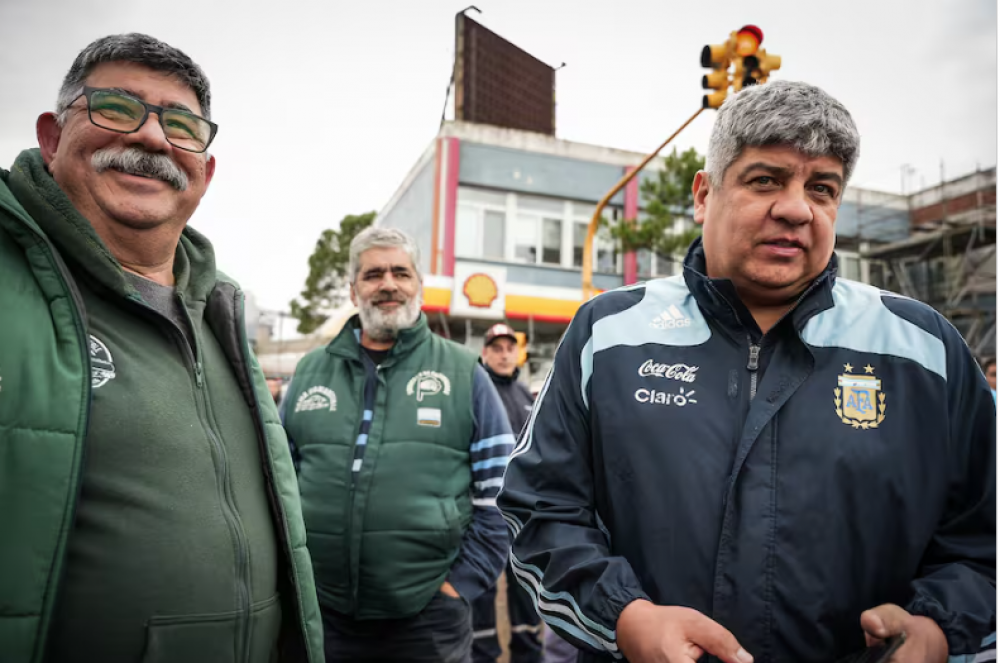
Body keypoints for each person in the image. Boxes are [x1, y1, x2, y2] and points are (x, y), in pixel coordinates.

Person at [497, 80, 996, 663]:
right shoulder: (606, 333)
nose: (795, 207)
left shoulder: (925, 349)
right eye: (765, 180)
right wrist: (627, 620)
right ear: (704, 195)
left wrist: (937, 629)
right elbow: (542, 509)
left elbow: (983, 541)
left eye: (822, 187)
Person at [0, 33, 323, 663]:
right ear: (50, 135)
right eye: (117, 109)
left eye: (181, 125)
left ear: (205, 166)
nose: (152, 139)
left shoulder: (221, 309)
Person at [282, 226, 514, 662]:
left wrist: (457, 587)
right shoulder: (310, 373)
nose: (388, 284)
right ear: (353, 291)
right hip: (321, 612)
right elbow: (278, 485)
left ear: (418, 287)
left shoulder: (465, 371)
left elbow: (501, 495)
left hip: (428, 618)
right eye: (372, 275)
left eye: (400, 273)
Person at [471, 323, 543, 663]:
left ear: (517, 353)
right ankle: (483, 655)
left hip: (522, 517)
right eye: (496, 348)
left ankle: (527, 655)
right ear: (485, 353)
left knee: (526, 591)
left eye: (508, 348)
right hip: (482, 515)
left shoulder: (525, 395)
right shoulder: (477, 390)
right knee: (481, 591)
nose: (503, 354)